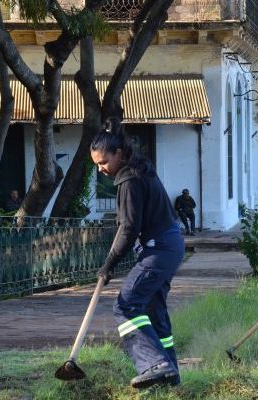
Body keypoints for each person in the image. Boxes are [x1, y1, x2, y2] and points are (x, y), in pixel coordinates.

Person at [90, 117, 184, 389]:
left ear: (118, 153)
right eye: (96, 164)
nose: (101, 169)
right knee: (154, 312)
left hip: (159, 250)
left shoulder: (129, 180)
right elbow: (129, 226)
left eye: (104, 162)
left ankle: (154, 364)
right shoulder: (138, 170)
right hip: (168, 245)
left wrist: (108, 265)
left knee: (126, 304)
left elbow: (129, 228)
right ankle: (170, 377)